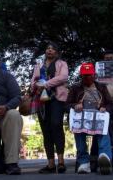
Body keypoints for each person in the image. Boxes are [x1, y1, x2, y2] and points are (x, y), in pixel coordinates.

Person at [66, 62, 113, 175]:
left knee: (104, 133)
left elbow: (111, 104)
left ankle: (105, 158)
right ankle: (84, 163)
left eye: (89, 75)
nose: (87, 77)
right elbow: (67, 104)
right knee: (79, 135)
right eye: (85, 75)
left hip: (98, 118)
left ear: (94, 75)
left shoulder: (101, 87)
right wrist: (75, 105)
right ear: (81, 76)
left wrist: (104, 108)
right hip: (82, 119)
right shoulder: (75, 87)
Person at [30, 41, 68, 174]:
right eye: (47, 48)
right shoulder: (38, 65)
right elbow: (33, 81)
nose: (49, 50)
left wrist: (45, 84)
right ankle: (51, 164)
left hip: (57, 98)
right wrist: (35, 86)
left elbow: (63, 77)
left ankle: (61, 162)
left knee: (56, 125)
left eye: (52, 49)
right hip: (41, 99)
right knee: (45, 130)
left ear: (56, 52)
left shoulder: (62, 63)